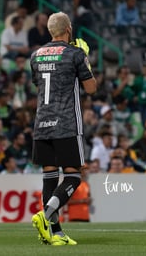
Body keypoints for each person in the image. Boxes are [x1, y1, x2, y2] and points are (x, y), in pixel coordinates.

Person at [30, 12, 96, 246]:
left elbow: (40, 83)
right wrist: (85, 58)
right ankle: (45, 216)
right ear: (68, 29)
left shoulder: (35, 55)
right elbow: (90, 88)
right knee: (73, 176)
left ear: (50, 31)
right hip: (66, 123)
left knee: (49, 178)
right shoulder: (76, 54)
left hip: (42, 124)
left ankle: (55, 233)